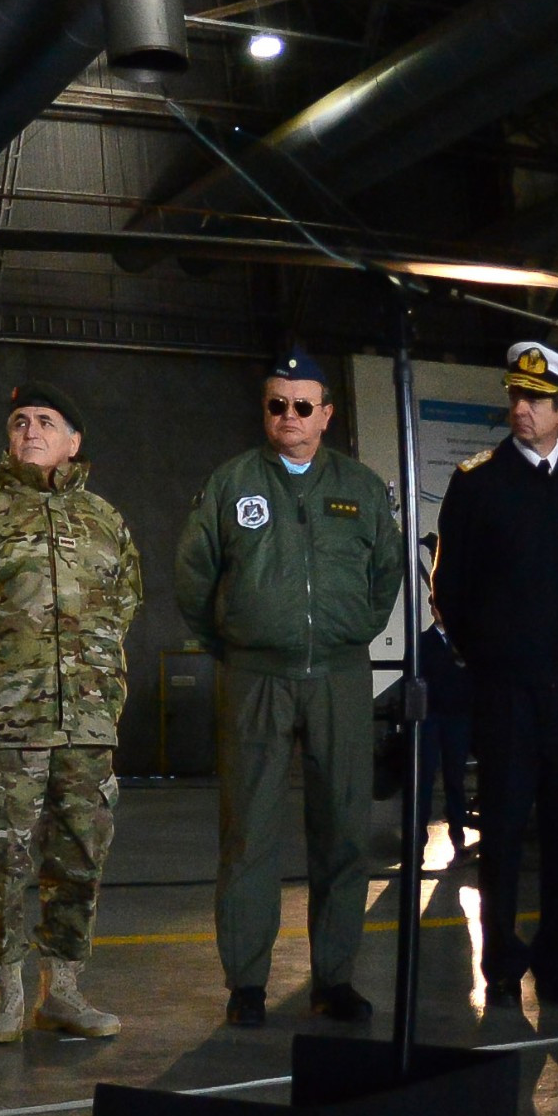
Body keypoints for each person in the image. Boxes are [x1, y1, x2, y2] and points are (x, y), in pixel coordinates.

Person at [175, 348, 401, 1030]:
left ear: (326, 414)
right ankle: (247, 983)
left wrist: (350, 631)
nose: (290, 417)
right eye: (277, 404)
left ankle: (334, 978)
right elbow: (194, 576)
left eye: (303, 406)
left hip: (339, 677)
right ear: (265, 411)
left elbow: (387, 573)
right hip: (255, 680)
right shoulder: (232, 483)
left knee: (344, 831)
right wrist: (237, 642)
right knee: (249, 834)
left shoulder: (360, 488)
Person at [0, 386, 143, 1043]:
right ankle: (7, 995)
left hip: (88, 723)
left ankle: (64, 992)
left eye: (46, 421)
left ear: (74, 442)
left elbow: (124, 605)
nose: (30, 430)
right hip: (7, 726)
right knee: (1, 858)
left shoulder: (106, 522)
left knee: (80, 856)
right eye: (19, 421)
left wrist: (93, 676)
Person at [432, 342, 558, 1005]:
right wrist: (489, 657)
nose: (521, 408)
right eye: (516, 396)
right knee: (504, 835)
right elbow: (449, 587)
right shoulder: (478, 484)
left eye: (536, 400)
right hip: (506, 690)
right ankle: (503, 966)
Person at [415, 534, 478, 866]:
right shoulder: (423, 644)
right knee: (424, 781)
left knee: (455, 780)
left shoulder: (464, 643)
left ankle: (458, 836)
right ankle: (417, 842)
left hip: (456, 719)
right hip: (430, 720)